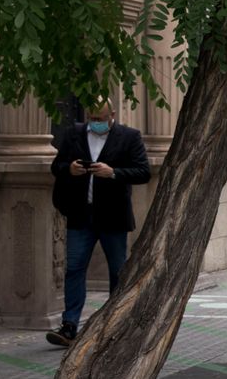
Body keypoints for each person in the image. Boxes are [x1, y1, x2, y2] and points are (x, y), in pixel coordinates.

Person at [46, 99, 151, 347]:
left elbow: (143, 172)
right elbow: (56, 167)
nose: (96, 123)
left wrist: (113, 172)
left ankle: (116, 323)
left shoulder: (129, 137)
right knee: (74, 268)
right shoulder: (74, 134)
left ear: (112, 115)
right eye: (92, 118)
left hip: (113, 217)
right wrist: (69, 168)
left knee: (117, 271)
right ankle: (69, 325)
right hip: (81, 215)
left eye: (100, 119)